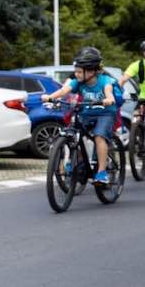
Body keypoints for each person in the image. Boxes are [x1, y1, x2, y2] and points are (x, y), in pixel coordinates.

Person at [42, 47, 117, 185]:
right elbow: (65, 90)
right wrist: (50, 97)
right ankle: (77, 163)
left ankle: (101, 173)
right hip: (87, 112)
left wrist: (108, 99)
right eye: (75, 71)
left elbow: (109, 94)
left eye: (78, 71)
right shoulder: (78, 81)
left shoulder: (105, 81)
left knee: (99, 136)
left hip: (105, 113)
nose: (75, 74)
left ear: (91, 71)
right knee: (75, 135)